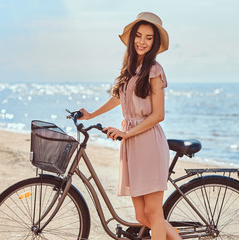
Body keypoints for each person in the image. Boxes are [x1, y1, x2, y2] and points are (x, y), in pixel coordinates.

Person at [80, 12, 182, 240]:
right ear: (132, 38)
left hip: (148, 142)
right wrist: (92, 114)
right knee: (141, 215)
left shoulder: (155, 70)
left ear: (154, 43)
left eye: (148, 38)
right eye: (138, 36)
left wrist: (126, 133)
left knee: (154, 213)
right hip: (132, 144)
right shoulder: (130, 68)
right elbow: (119, 98)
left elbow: (158, 115)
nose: (142, 42)